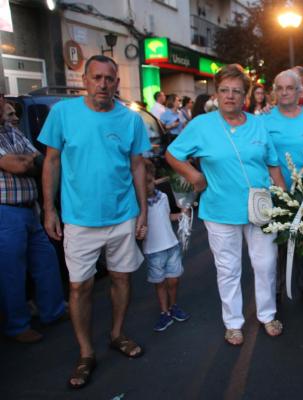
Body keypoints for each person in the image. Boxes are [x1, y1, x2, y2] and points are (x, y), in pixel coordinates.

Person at [39, 55, 151, 389]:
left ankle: (117, 334)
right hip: (79, 219)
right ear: (85, 80)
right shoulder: (62, 113)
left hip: (122, 215)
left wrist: (143, 211)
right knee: (79, 286)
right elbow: (52, 163)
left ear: (117, 82)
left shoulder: (130, 120)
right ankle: (86, 352)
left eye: (109, 79)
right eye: (97, 77)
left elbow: (138, 167)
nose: (103, 84)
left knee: (121, 279)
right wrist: (49, 209)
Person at [166, 64, 286, 346]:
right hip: (219, 210)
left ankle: (267, 315)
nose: (230, 96)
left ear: (245, 96)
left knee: (266, 264)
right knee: (228, 268)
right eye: (224, 91)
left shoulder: (259, 124)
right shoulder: (201, 125)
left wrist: (286, 200)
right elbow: (172, 155)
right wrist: (193, 174)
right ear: (216, 94)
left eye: (237, 91)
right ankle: (233, 323)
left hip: (260, 208)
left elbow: (273, 165)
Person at [0, 93, 67, 344]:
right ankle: (17, 326)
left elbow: (38, 160)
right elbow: (17, 165)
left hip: (29, 208)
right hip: (5, 212)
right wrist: (23, 162)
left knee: (46, 260)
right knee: (11, 271)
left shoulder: (11, 131)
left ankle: (53, 311)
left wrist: (25, 162)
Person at [262, 69, 303, 306]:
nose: (285, 92)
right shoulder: (264, 119)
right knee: (276, 244)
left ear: (300, 91)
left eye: (290, 88)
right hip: (275, 192)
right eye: (280, 88)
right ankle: (276, 288)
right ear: (274, 92)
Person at [142, 159, 190, 331]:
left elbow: (167, 217)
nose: (146, 186)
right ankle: (164, 312)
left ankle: (174, 305)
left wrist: (182, 214)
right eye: (141, 183)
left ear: (153, 178)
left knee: (174, 279)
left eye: (149, 181)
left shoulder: (162, 196)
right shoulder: (137, 205)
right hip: (153, 250)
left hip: (171, 245)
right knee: (160, 282)